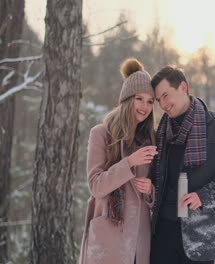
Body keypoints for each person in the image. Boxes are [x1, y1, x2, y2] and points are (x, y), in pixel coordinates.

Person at [149, 66, 215, 264]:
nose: (163, 104)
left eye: (166, 95)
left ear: (183, 88)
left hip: (201, 237)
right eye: (159, 100)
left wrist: (203, 196)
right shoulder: (159, 133)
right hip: (162, 234)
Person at [79, 58, 158, 264]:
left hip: (139, 240)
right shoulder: (101, 134)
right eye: (139, 99)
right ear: (127, 99)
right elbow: (96, 186)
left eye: (150, 101)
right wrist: (129, 162)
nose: (145, 106)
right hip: (109, 238)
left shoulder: (152, 140)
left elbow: (160, 189)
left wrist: (151, 191)